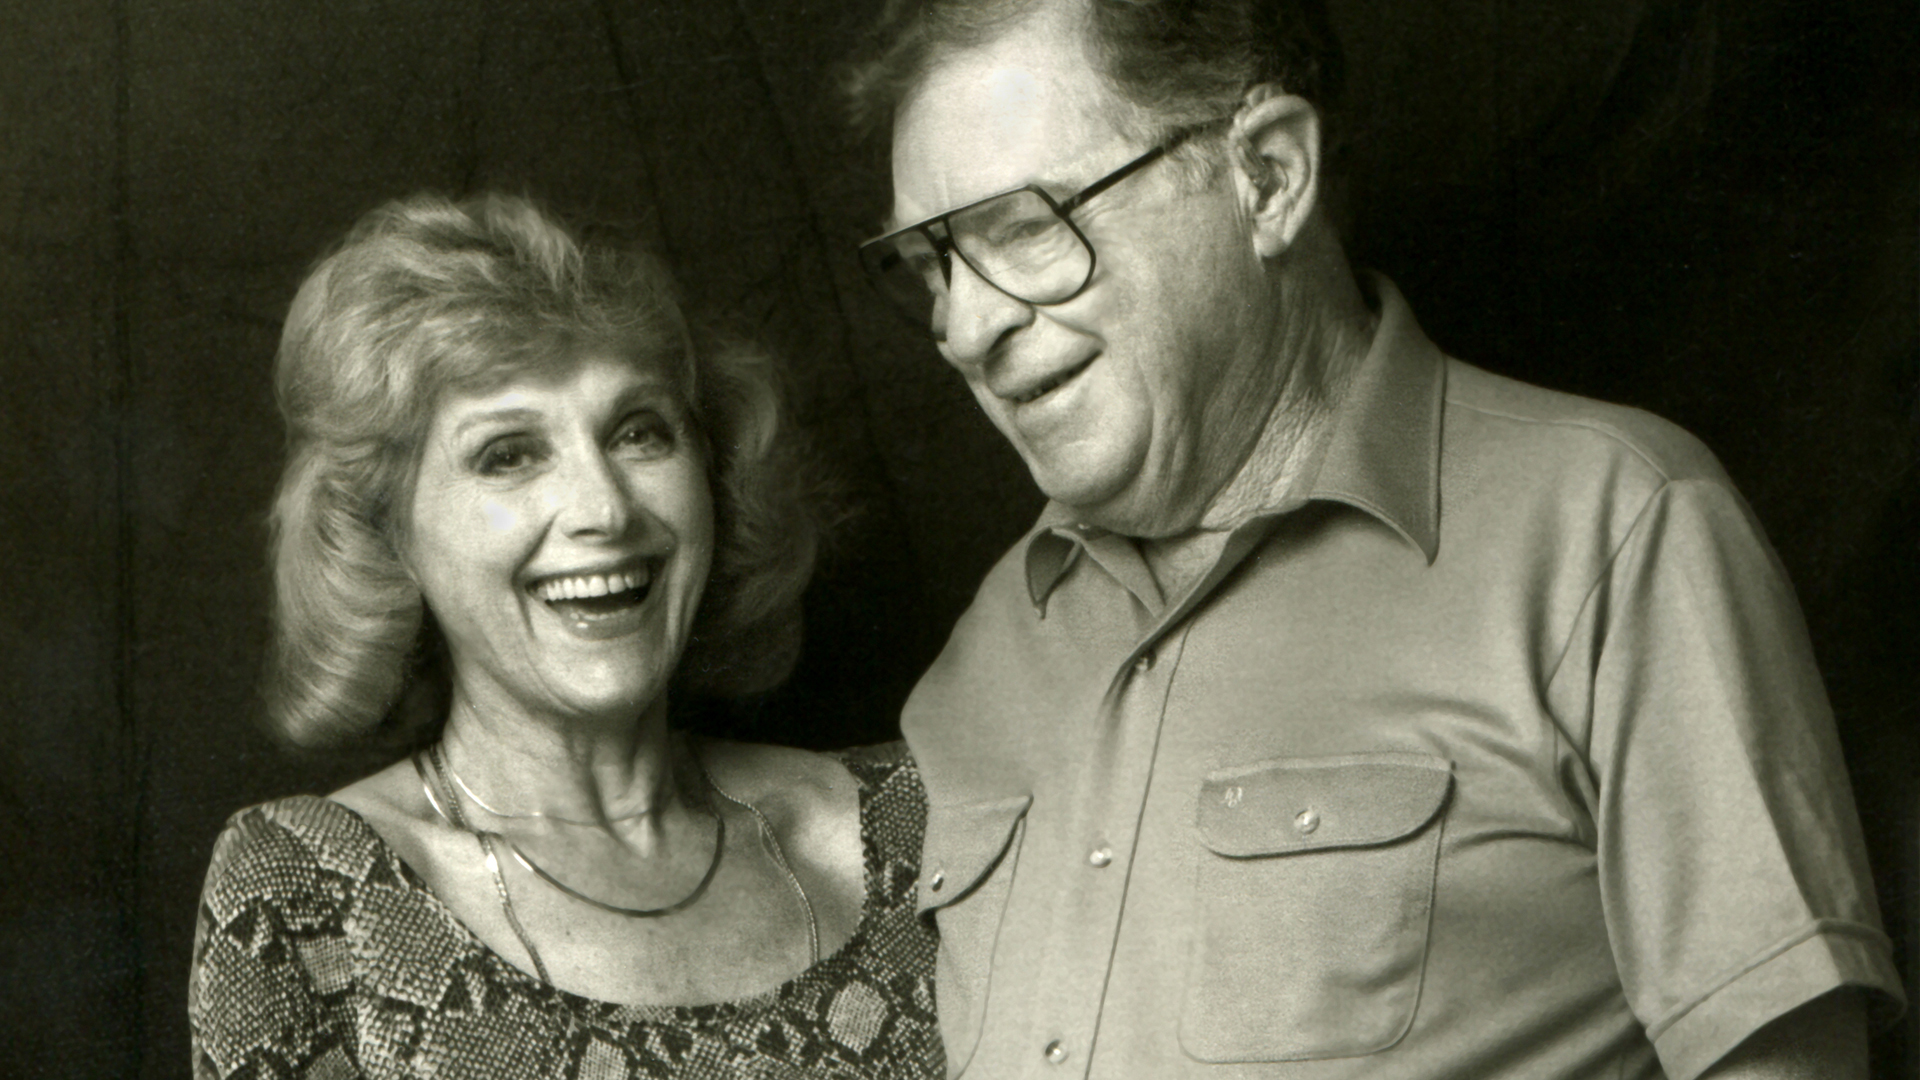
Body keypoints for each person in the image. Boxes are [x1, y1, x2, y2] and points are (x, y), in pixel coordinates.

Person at [844, 1, 1905, 1077]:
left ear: (1269, 177)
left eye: (1025, 229)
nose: (964, 328)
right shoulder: (983, 658)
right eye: (929, 267)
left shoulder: (1614, 530)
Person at [188, 193, 942, 1080]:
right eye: (508, 453)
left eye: (639, 433)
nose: (604, 509)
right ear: (387, 534)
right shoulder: (308, 895)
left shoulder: (914, 820)